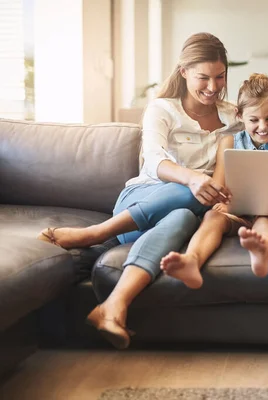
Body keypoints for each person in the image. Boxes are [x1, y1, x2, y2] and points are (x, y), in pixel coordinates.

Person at [37, 32, 243, 349]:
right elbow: (155, 162)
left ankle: (113, 305)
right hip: (141, 201)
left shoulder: (234, 117)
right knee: (187, 194)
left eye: (220, 77)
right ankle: (96, 233)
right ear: (184, 71)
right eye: (203, 77)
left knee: (184, 216)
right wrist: (190, 178)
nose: (213, 87)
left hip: (186, 214)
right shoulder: (162, 109)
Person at [159, 73, 268, 286]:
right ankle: (192, 261)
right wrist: (223, 202)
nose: (262, 126)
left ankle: (262, 252)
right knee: (213, 218)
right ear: (239, 115)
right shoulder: (229, 142)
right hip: (237, 212)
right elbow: (218, 185)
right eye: (254, 120)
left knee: (264, 221)